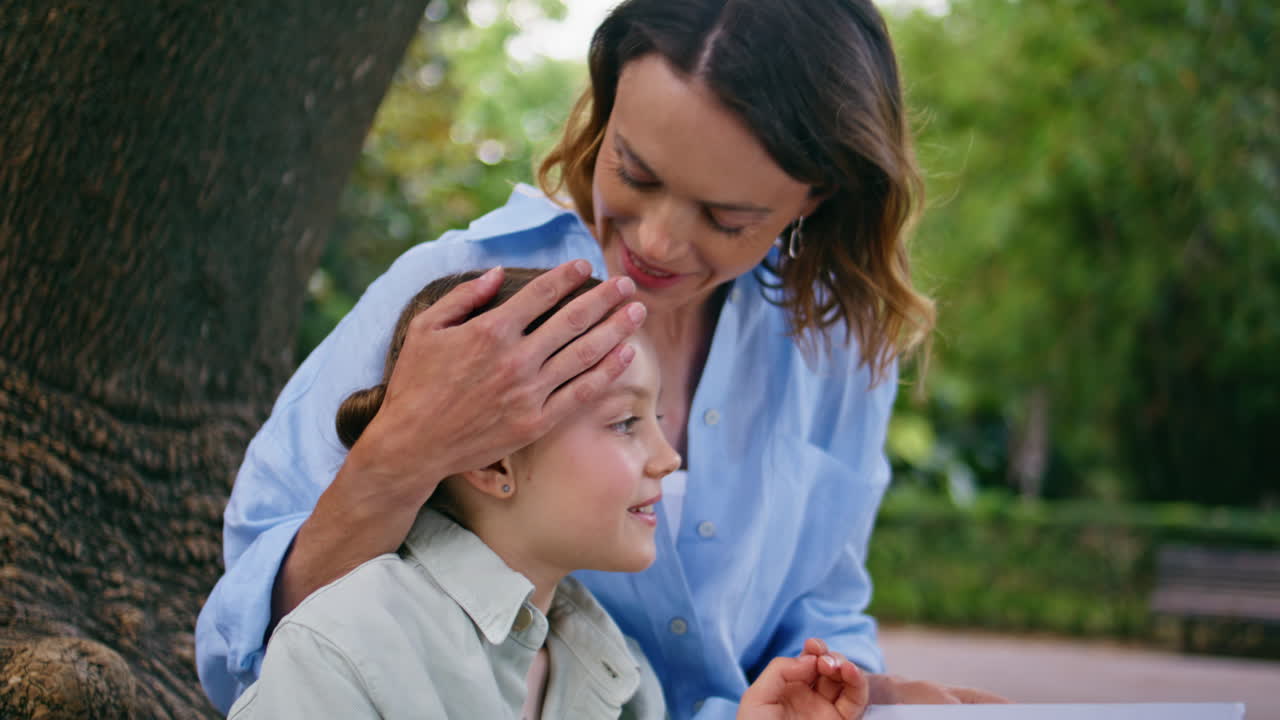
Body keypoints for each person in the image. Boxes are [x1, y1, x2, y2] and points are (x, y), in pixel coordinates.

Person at [198, 0, 1007, 716]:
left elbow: (824, 610)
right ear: (607, 103)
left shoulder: (835, 346)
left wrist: (855, 693)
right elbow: (255, 657)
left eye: (726, 217)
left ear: (816, 196)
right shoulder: (462, 293)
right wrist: (410, 445)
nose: (655, 241)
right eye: (634, 170)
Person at [226, 268, 870, 720]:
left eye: (658, 422)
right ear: (493, 459)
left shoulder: (617, 670)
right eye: (625, 423)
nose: (669, 460)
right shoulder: (342, 650)